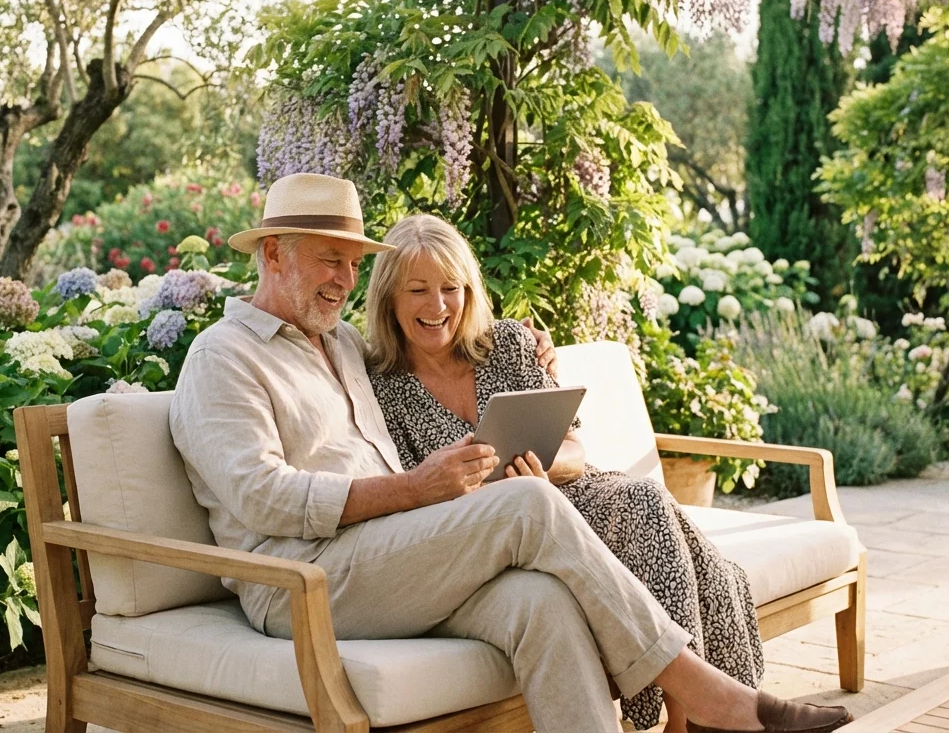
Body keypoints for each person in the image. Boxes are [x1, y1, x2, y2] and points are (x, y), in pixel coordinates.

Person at [170, 172, 852, 733]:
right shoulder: (222, 358)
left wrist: (525, 345)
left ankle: (685, 702)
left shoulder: (343, 344)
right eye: (330, 259)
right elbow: (261, 495)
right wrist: (416, 489)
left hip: (386, 558)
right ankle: (703, 692)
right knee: (525, 499)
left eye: (353, 264)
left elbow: (435, 339)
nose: (345, 279)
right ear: (273, 254)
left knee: (540, 601)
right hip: (303, 582)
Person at [365, 214, 766, 732]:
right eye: (417, 290)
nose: (437, 305)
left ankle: (684, 718)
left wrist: (537, 470)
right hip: (491, 531)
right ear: (389, 297)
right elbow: (416, 495)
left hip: (570, 491)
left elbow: (575, 448)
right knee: (657, 518)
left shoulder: (508, 345)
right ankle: (702, 713)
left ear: (468, 291)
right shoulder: (381, 387)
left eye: (450, 288)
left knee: (643, 502)